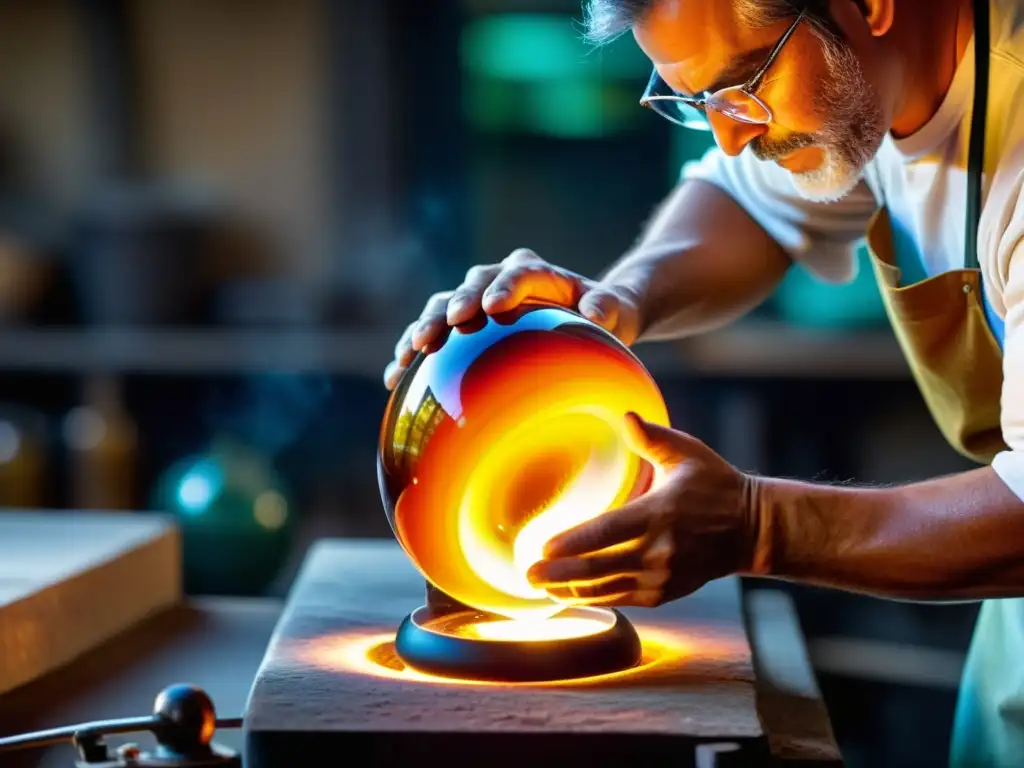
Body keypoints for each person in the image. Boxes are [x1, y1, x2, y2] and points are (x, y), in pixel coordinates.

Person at [384, 0, 1024, 763]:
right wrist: (612, 302)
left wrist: (759, 524)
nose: (729, 133)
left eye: (743, 81)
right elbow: (747, 202)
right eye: (695, 101)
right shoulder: (876, 79)